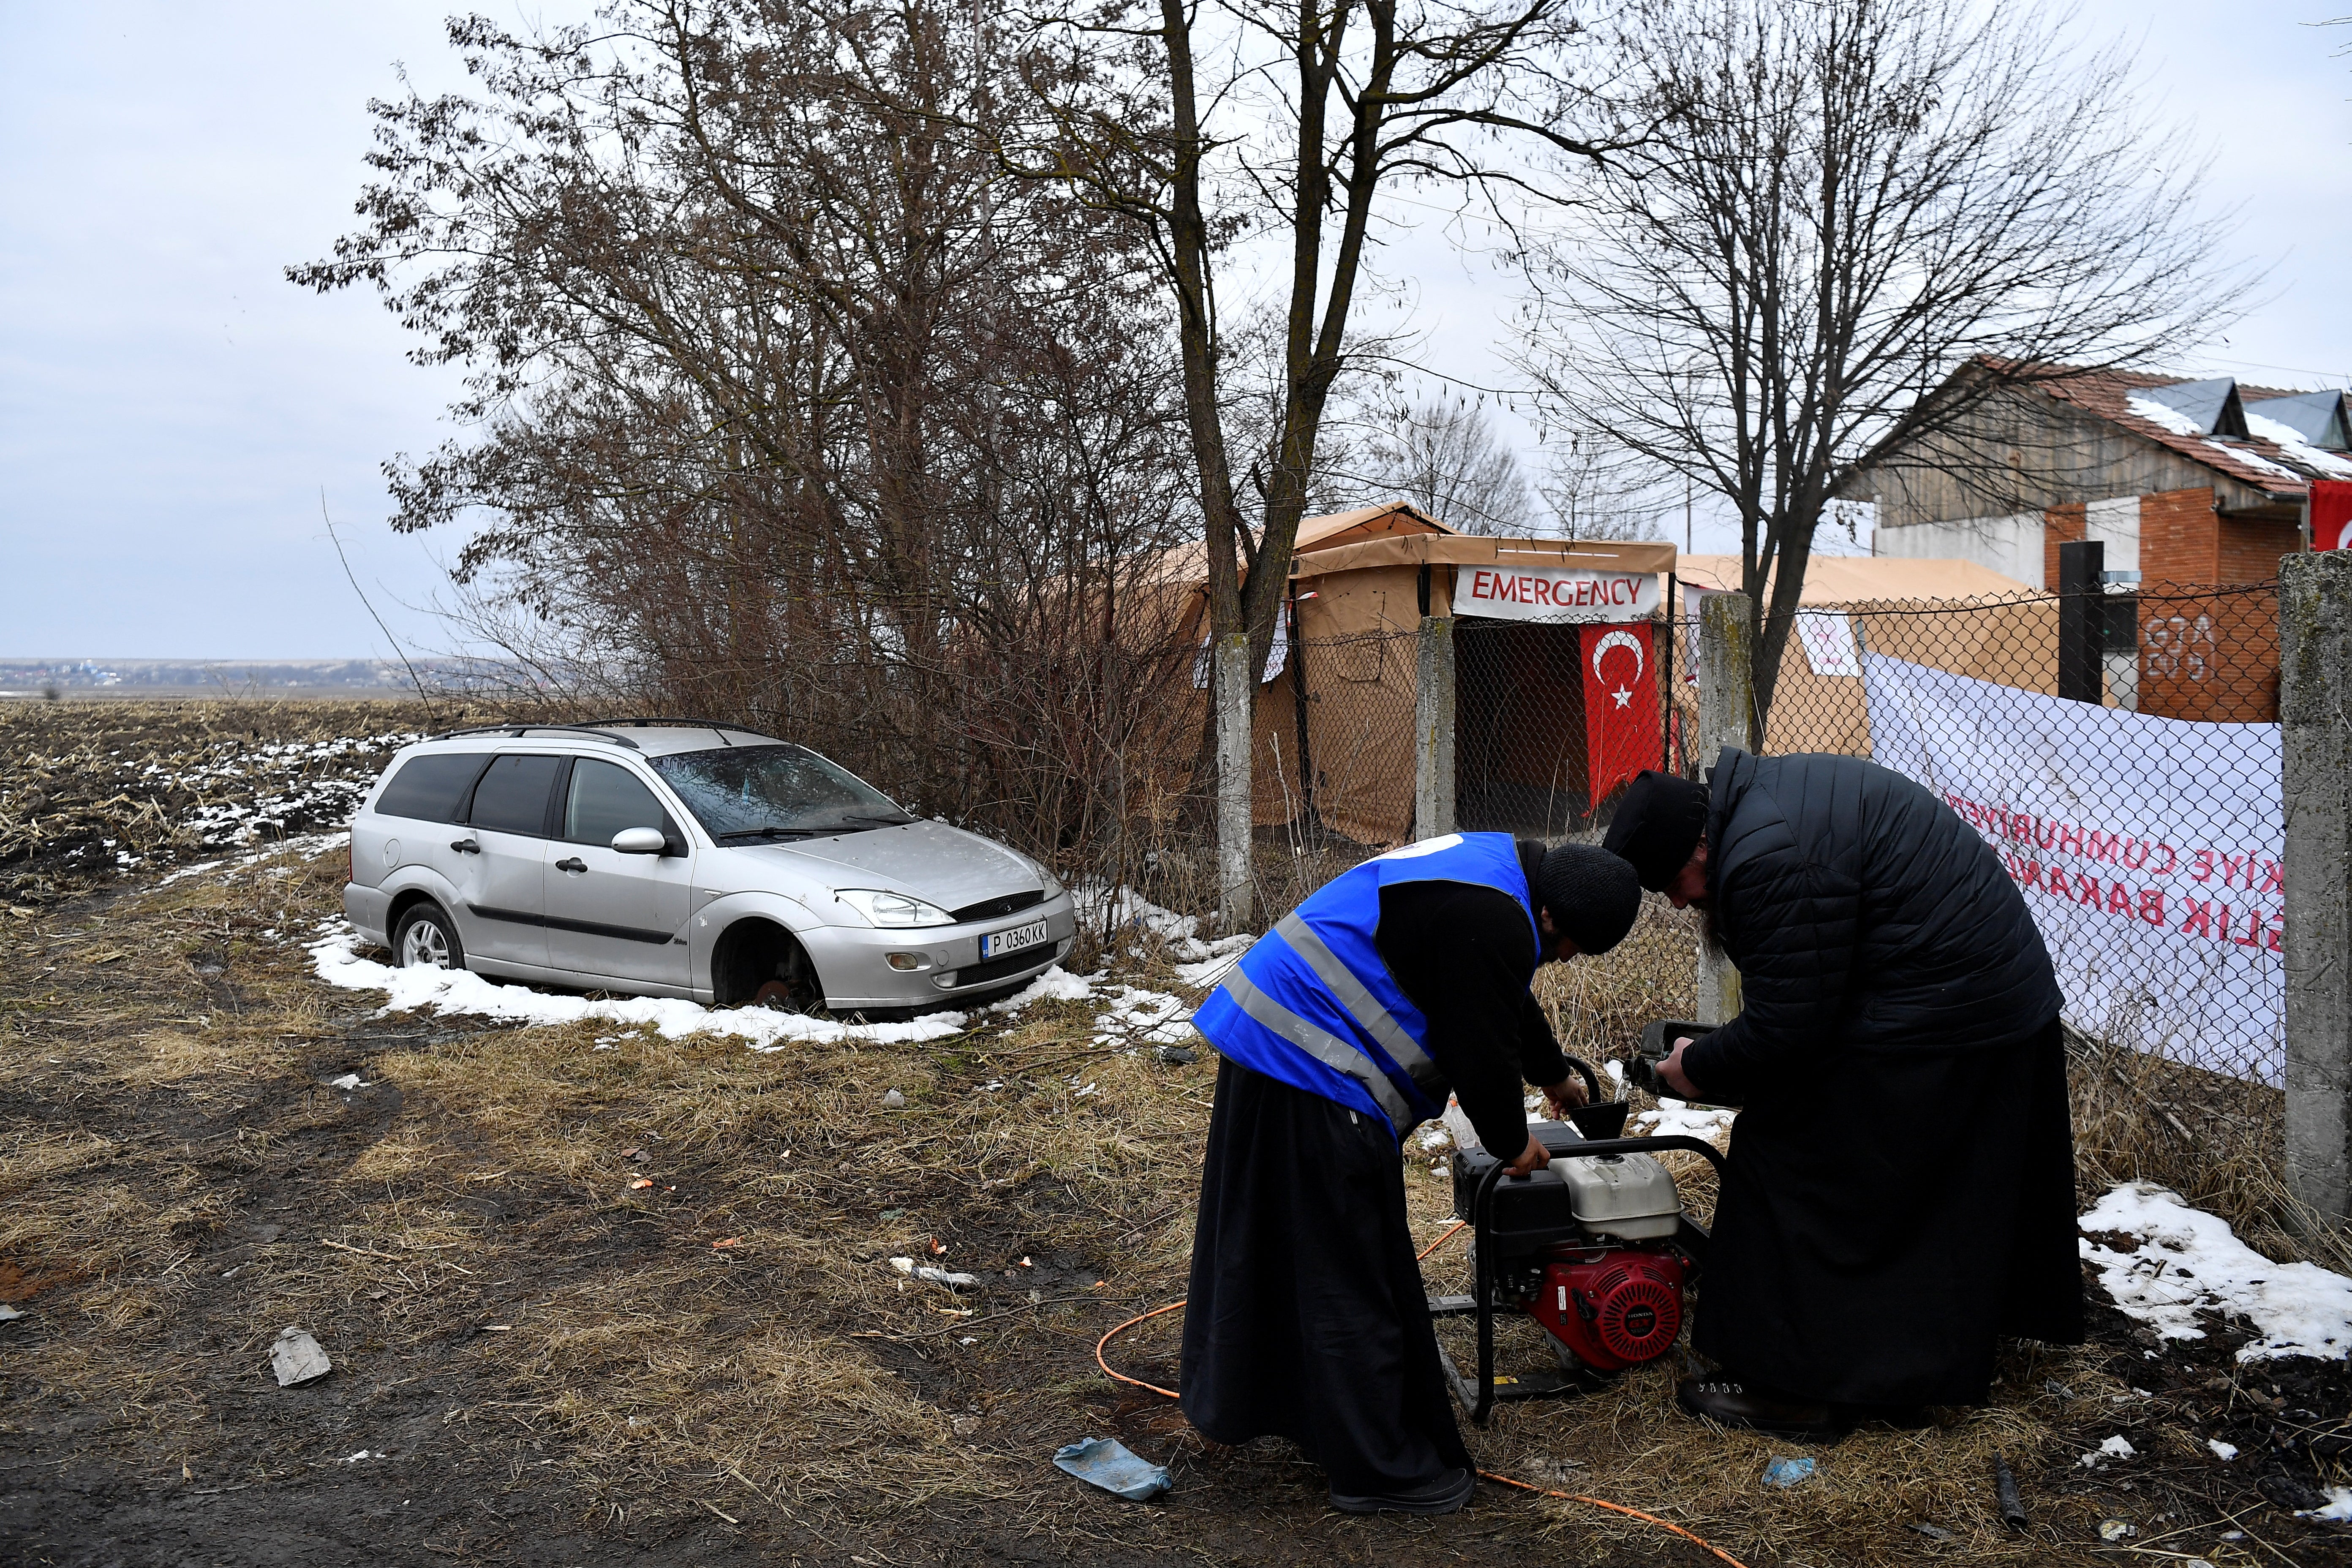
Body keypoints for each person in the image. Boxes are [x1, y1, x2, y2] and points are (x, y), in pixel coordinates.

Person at [1602, 751, 2083, 1439]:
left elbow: (1788, 1029)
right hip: (1969, 1000)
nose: (1679, 903)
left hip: (1950, 1016)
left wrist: (1698, 1067)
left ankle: (1800, 1388)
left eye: (1675, 884)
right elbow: (1808, 994)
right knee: (1881, 1171)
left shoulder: (1769, 857)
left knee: (1794, 1155)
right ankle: (1900, 1358)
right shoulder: (1758, 809)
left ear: (1699, 845)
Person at [1179, 833, 1642, 1515]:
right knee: (1349, 1274)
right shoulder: (1493, 916)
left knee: (1293, 1254)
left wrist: (1550, 1073)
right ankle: (1379, 1469)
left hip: (1274, 1040)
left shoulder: (1501, 871)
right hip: (1310, 1062)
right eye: (1571, 947)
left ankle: (1300, 1414)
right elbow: (1477, 1044)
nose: (1564, 959)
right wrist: (1514, 1147)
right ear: (1551, 919)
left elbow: (1497, 987)